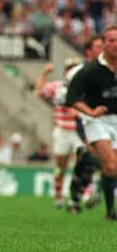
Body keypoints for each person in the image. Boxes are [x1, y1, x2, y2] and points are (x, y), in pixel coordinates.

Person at [66, 25, 117, 221]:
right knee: (111, 167)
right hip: (97, 120)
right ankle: (111, 210)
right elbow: (72, 96)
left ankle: (89, 160)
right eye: (110, 41)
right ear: (103, 44)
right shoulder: (91, 70)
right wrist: (90, 111)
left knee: (113, 167)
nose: (115, 45)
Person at [33, 58, 82, 208]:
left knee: (81, 164)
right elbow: (39, 92)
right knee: (61, 167)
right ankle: (59, 196)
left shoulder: (85, 86)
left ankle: (77, 196)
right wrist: (44, 73)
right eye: (70, 68)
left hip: (79, 131)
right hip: (62, 130)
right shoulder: (58, 86)